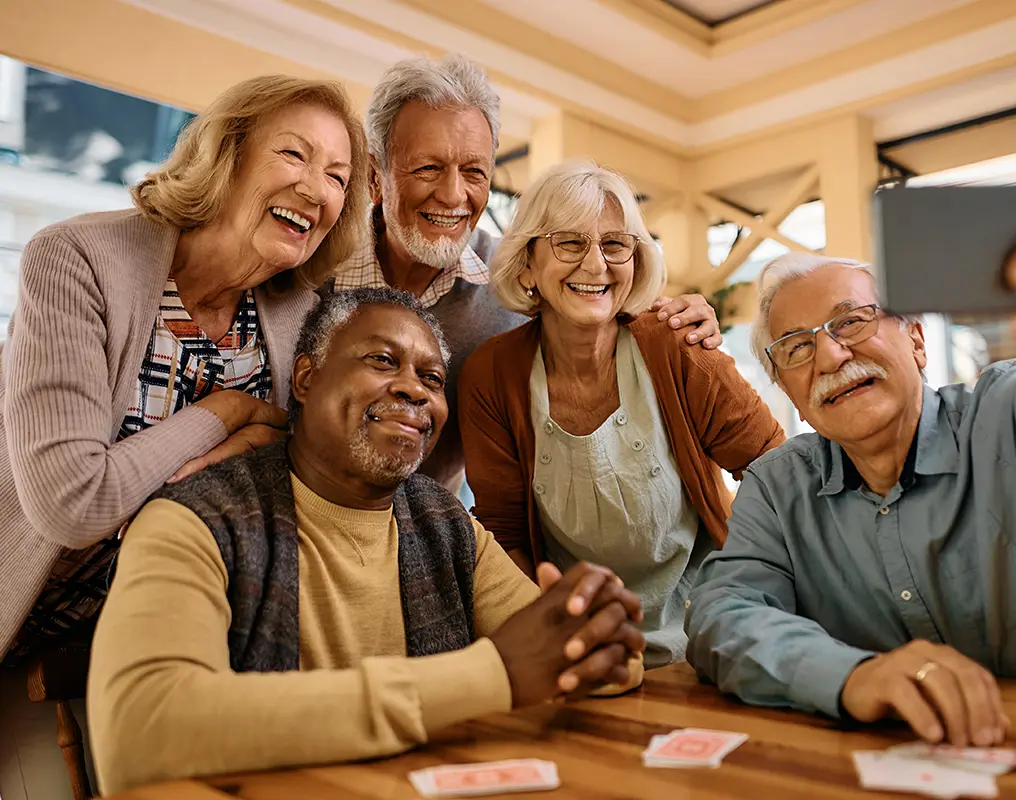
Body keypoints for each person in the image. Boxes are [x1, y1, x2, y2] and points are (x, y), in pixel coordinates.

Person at [685, 149, 1016, 749]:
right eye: (797, 348)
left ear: (918, 341)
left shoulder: (1009, 416)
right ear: (793, 397)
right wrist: (852, 675)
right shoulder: (778, 486)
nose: (830, 357)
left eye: (851, 322)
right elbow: (722, 614)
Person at [86, 287, 645, 795]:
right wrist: (490, 676)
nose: (413, 390)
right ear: (306, 379)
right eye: (382, 360)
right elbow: (144, 730)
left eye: (432, 379)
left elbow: (573, 660)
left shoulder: (445, 522)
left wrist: (598, 632)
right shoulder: (195, 520)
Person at [0, 75, 370, 667]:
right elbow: (72, 503)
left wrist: (265, 438)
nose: (315, 188)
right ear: (229, 155)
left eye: (337, 176)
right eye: (294, 153)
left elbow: (304, 482)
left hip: (158, 644)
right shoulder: (77, 259)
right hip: (20, 621)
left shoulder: (300, 317)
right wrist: (227, 413)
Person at [332, 54, 723, 491]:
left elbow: (604, 301)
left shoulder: (521, 275)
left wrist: (682, 319)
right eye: (428, 168)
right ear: (373, 175)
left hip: (433, 529)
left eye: (474, 172)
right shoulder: (312, 270)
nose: (453, 194)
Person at [459, 161, 784, 669]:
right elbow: (505, 535)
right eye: (569, 243)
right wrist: (554, 635)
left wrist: (740, 593)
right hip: (580, 646)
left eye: (615, 245)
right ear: (526, 264)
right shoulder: (491, 375)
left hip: (711, 638)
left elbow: (776, 474)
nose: (596, 266)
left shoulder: (678, 344)